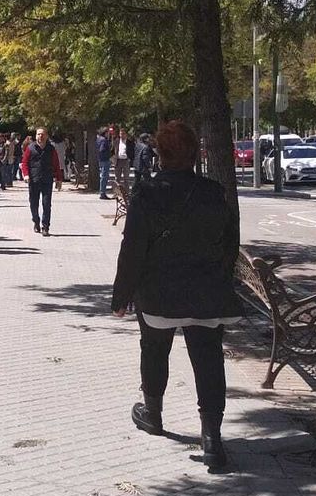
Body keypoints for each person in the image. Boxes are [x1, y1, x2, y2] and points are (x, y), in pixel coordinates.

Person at [112, 119, 241, 473]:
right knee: (209, 360)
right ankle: (212, 438)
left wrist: (121, 296)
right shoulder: (213, 193)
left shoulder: (147, 193)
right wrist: (219, 277)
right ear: (195, 153)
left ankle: (152, 413)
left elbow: (132, 249)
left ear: (160, 153)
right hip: (205, 294)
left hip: (159, 296)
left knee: (154, 348)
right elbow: (230, 244)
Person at [21, 127, 63, 236]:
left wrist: (59, 179)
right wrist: (26, 175)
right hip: (34, 180)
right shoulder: (30, 148)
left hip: (47, 180)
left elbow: (56, 164)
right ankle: (36, 221)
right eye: (38, 134)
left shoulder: (51, 149)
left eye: (43, 134)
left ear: (47, 136)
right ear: (36, 136)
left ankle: (45, 227)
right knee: (33, 204)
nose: (40, 136)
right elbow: (24, 163)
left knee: (46, 204)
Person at [96, 127, 114, 199]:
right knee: (104, 176)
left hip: (100, 159)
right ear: (105, 133)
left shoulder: (98, 139)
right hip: (105, 160)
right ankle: (102, 192)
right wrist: (109, 154)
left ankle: (102, 192)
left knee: (103, 176)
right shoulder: (104, 140)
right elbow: (102, 149)